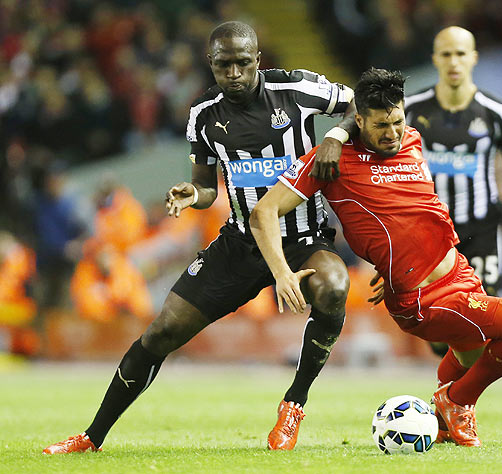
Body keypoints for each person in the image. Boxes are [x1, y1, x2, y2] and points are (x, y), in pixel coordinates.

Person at [43, 20, 358, 454]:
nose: (234, 74)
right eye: (223, 65)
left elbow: (362, 103)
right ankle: (91, 436)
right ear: (210, 63)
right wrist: (194, 193)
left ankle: (294, 404)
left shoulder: (298, 90)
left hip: (303, 237)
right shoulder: (203, 112)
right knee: (162, 331)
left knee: (335, 287)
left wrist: (336, 137)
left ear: (258, 61)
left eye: (242, 64)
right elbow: (208, 186)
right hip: (240, 243)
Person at [249, 68, 502, 447]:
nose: (392, 133)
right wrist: (282, 273)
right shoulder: (331, 161)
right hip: (423, 298)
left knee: (473, 355)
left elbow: (407, 215)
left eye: (397, 120)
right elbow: (263, 213)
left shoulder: (413, 139)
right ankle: (455, 401)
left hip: (458, 270)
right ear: (358, 119)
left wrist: (394, 259)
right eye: (380, 125)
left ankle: (446, 416)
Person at [404, 26, 502, 361]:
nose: (454, 62)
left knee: (479, 317)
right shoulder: (409, 111)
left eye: (461, 53)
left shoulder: (499, 112)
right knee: (439, 330)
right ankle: (453, 390)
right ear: (434, 59)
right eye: (446, 54)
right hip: (431, 233)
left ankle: (457, 399)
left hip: (481, 227)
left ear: (473, 58)